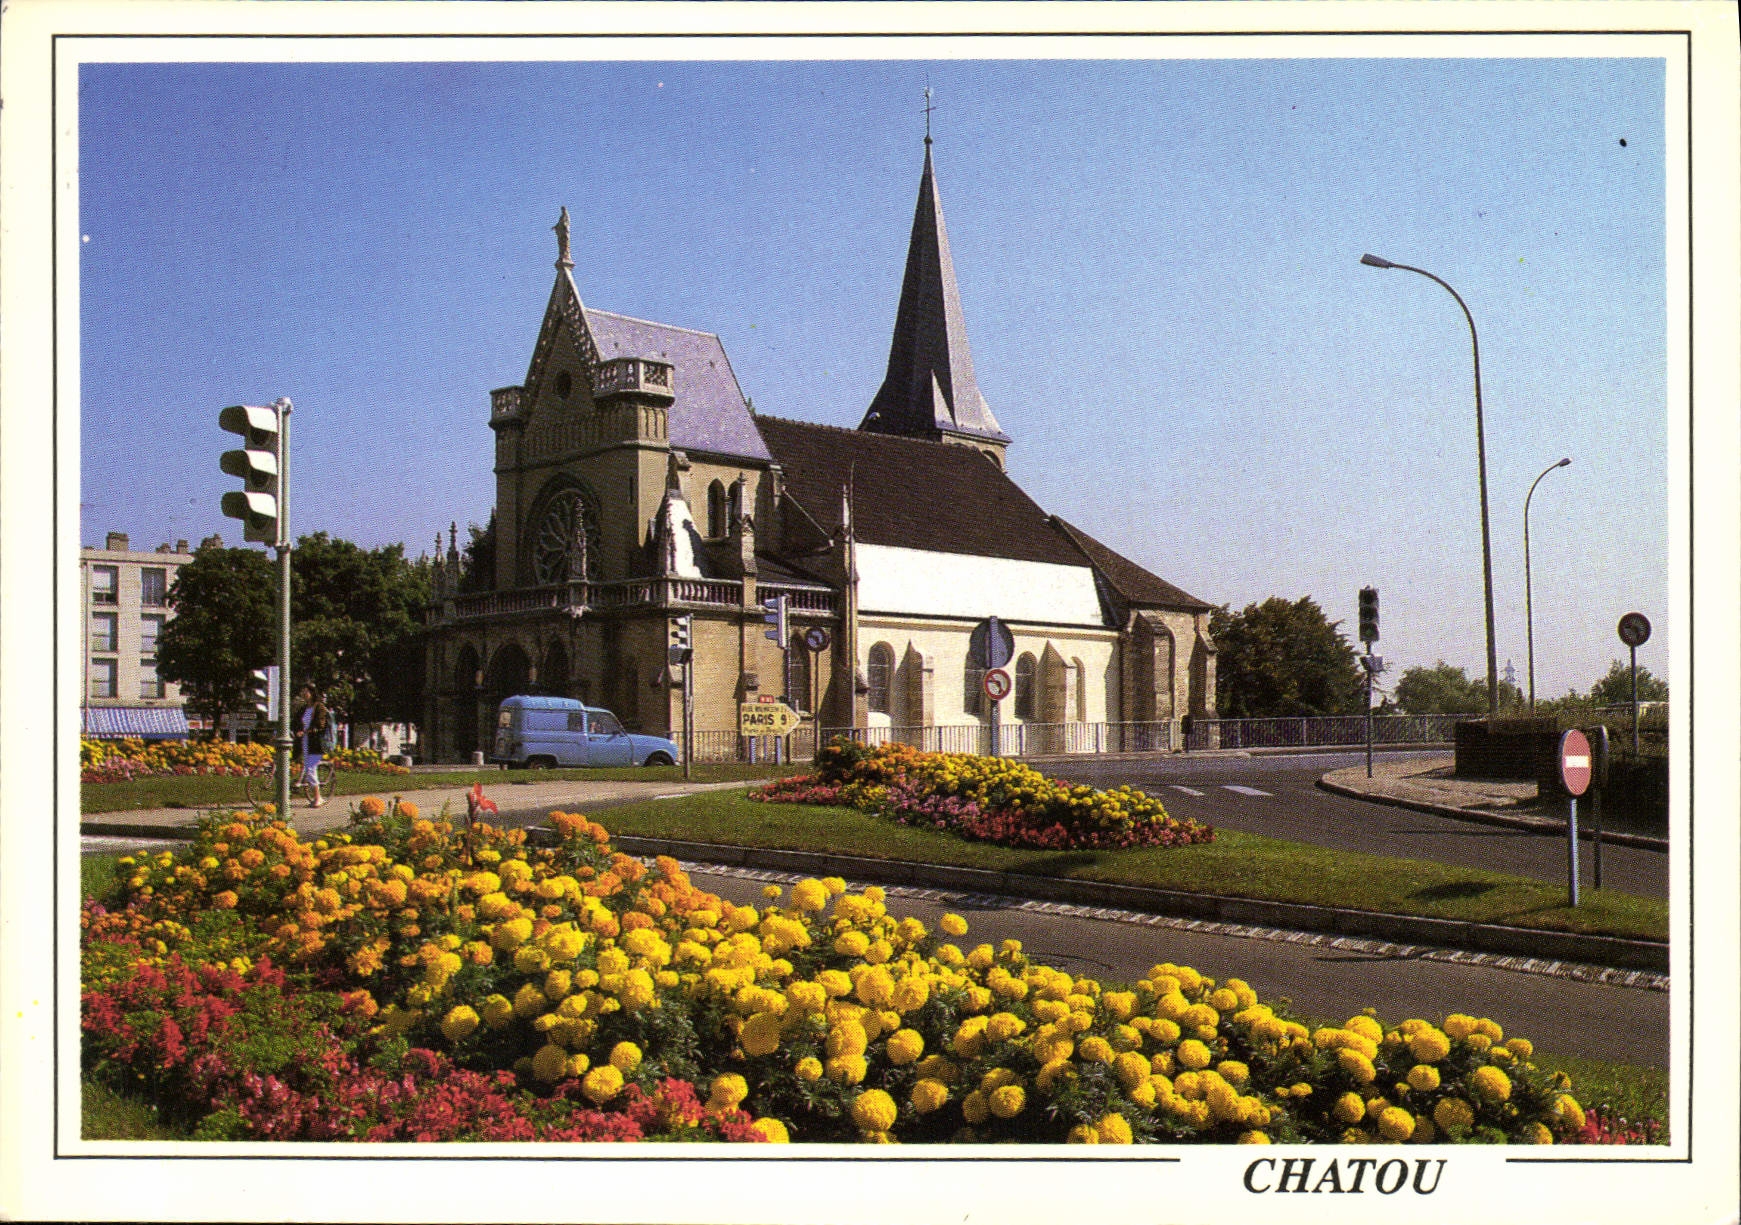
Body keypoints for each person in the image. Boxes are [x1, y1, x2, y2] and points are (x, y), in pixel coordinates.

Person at [296, 685, 329, 809]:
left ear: (312, 693)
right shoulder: (304, 708)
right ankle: (316, 796)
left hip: (316, 743)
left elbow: (320, 725)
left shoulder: (319, 707)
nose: (304, 694)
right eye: (302, 691)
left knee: (310, 769)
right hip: (305, 741)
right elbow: (297, 722)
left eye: (306, 691)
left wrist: (305, 732)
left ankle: (318, 797)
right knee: (307, 768)